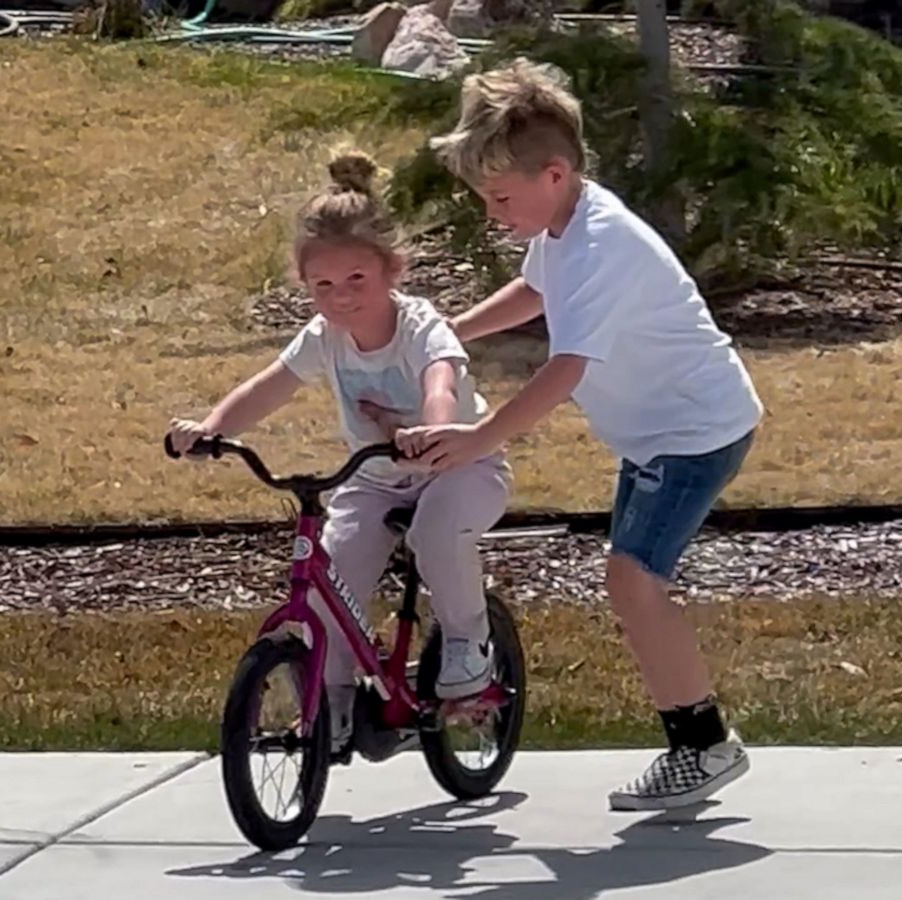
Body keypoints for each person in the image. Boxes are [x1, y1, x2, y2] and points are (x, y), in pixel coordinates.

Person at [396, 58, 765, 810]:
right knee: (631, 583)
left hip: (694, 433)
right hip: (658, 436)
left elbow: (564, 369)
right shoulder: (564, 229)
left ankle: (704, 748)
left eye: (499, 197)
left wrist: (480, 438)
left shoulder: (601, 244)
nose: (492, 212)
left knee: (633, 582)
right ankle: (701, 744)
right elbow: (534, 290)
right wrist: (451, 334)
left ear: (554, 174)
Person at [165, 150, 512, 757]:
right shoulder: (324, 336)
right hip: (376, 478)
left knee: (436, 536)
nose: (342, 297)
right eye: (323, 284)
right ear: (306, 286)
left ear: (393, 270)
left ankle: (468, 644)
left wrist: (430, 431)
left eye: (357, 280)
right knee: (332, 569)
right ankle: (333, 698)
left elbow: (441, 381)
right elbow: (269, 385)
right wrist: (211, 428)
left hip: (461, 465)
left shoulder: (421, 325)